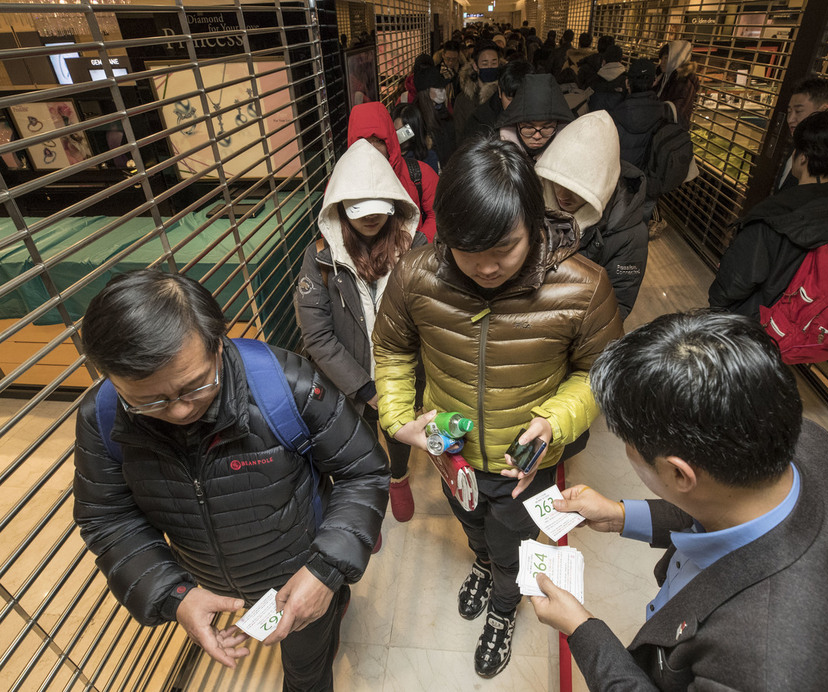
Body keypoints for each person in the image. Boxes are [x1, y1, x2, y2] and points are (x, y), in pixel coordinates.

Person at [530, 310, 828, 691]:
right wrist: (618, 515)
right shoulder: (801, 441)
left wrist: (581, 629)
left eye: (627, 444)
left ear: (680, 474)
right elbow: (717, 510)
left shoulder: (758, 666)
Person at [372, 137, 623, 678]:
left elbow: (599, 373)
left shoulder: (583, 286)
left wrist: (555, 420)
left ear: (532, 222)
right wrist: (398, 419)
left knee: (515, 542)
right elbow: (392, 347)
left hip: (524, 463)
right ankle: (482, 564)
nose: (486, 268)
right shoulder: (417, 275)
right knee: (470, 520)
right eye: (469, 250)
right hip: (451, 450)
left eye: (503, 249)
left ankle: (504, 609)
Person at [73, 270, 389, 691]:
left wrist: (327, 570)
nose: (181, 410)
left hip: (301, 567)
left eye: (194, 386)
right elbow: (109, 519)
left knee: (307, 671)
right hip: (209, 574)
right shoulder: (103, 418)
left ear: (218, 344)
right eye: (150, 399)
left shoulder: (286, 386)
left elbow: (362, 470)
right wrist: (175, 595)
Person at [295, 139, 425, 524]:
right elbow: (317, 336)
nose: (370, 218)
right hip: (348, 382)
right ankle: (368, 501)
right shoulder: (319, 256)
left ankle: (398, 479)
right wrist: (364, 389)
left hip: (404, 374)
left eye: (378, 207)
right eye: (358, 208)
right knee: (358, 443)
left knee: (399, 434)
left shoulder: (416, 247)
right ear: (339, 207)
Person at [709, 109, 828, 320]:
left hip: (759, 329)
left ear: (803, 157)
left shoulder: (773, 215)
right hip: (813, 330)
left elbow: (734, 284)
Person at [535, 111, 649, 319]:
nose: (562, 195)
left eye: (578, 189)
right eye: (557, 181)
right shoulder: (535, 202)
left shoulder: (629, 234)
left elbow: (616, 308)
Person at [348, 102, 438, 242]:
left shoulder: (420, 173)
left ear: (389, 141)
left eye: (378, 140)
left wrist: (417, 245)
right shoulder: (341, 183)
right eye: (365, 141)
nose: (372, 148)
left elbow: (439, 214)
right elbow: (332, 229)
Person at [774, 76, 828, 192]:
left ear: (823, 110)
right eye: (789, 111)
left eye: (798, 111)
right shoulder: (800, 138)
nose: (790, 119)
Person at [602, 58, 668, 184]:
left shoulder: (613, 117)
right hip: (646, 186)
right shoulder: (664, 114)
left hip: (617, 186)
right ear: (654, 82)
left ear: (627, 83)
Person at [494, 73, 575, 161]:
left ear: (558, 125)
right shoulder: (497, 159)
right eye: (528, 127)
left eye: (546, 128)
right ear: (516, 125)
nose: (537, 136)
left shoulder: (572, 158)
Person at [462, 59, 534, 143]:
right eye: (510, 98)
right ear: (500, 92)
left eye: (523, 98)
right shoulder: (480, 123)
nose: (516, 105)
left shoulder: (544, 117)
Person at [410, 64, 458, 168]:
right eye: (438, 88)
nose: (443, 91)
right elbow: (401, 144)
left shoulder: (445, 115)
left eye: (443, 87)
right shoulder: (413, 118)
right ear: (425, 91)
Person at [453, 41, 504, 138]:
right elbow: (459, 133)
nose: (490, 67)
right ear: (476, 66)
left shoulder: (505, 96)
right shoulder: (463, 100)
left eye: (494, 63)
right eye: (485, 64)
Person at [655, 40, 700, 124]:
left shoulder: (685, 82)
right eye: (661, 59)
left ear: (676, 58)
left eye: (666, 58)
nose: (662, 62)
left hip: (670, 131)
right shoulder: (664, 76)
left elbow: (676, 112)